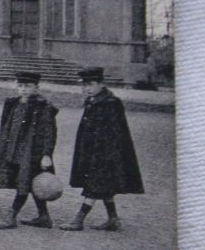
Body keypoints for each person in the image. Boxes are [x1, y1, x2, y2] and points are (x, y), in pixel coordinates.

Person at [60, 67, 144, 232]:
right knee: (103, 185)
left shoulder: (110, 103)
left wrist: (102, 154)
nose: (87, 88)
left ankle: (78, 220)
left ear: (101, 84)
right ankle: (113, 219)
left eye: (90, 84)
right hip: (93, 151)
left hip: (105, 153)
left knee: (94, 185)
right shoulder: (93, 101)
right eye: (84, 85)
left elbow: (113, 133)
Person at [0, 71, 59, 229]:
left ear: (36, 88)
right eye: (20, 85)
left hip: (32, 153)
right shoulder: (14, 103)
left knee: (24, 182)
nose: (23, 89)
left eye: (28, 86)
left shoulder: (43, 107)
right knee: (30, 183)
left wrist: (47, 154)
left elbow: (50, 132)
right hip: (15, 151)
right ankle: (44, 216)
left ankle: (11, 216)